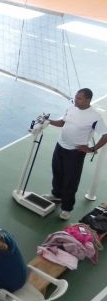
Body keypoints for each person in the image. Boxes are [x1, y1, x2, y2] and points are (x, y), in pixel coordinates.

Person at [44, 88, 107, 220]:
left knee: (71, 180)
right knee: (57, 173)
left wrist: (92, 149)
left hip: (75, 153)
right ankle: (56, 195)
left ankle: (66, 208)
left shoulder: (95, 117)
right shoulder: (72, 107)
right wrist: (49, 121)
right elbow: (63, 123)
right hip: (60, 146)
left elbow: (105, 135)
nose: (76, 100)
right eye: (76, 97)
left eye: (79, 98)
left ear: (88, 100)